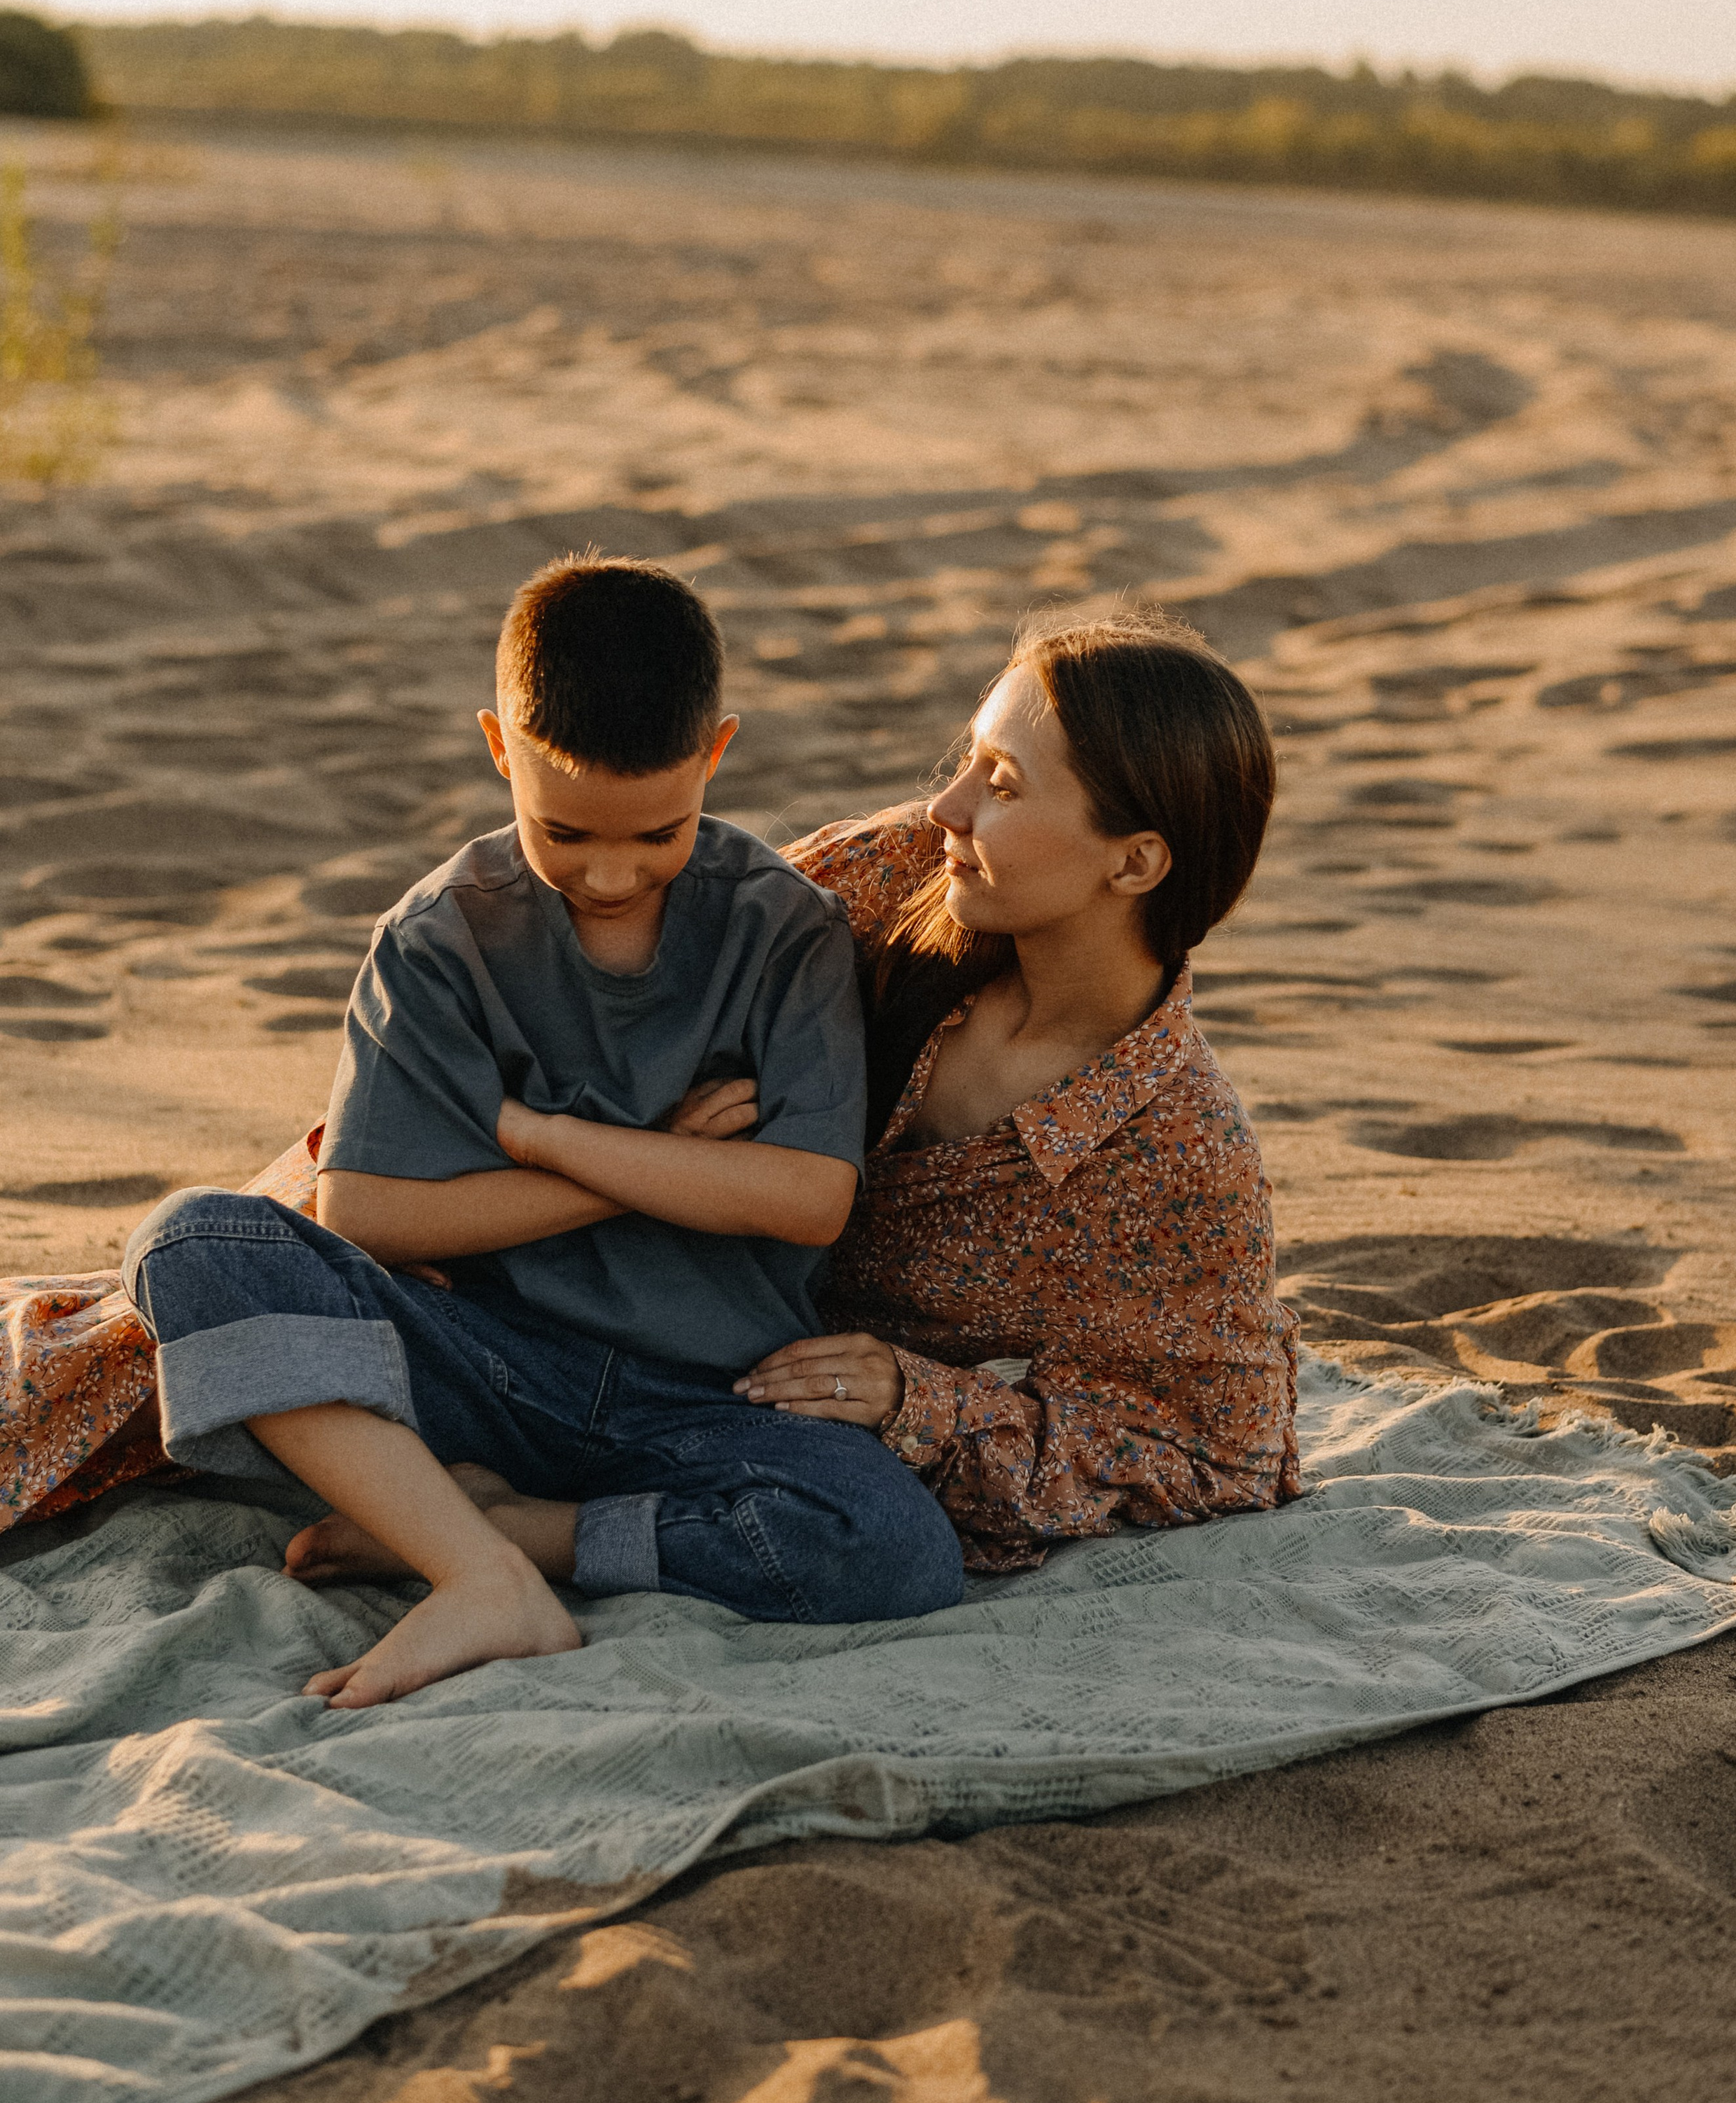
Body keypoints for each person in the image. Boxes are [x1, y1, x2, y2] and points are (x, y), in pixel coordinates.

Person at [116, 553, 966, 1712]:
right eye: (564, 834)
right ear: (499, 747)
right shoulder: (438, 940)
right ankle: (478, 1576)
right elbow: (365, 1215)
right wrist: (656, 1163)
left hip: (715, 1395)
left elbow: (809, 1197)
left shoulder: (784, 930)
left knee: (893, 1547)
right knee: (188, 1246)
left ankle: (519, 1535)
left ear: (716, 754)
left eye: (659, 835)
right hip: (488, 1360)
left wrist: (538, 1136)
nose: (610, 874)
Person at [454, 609, 1300, 1587]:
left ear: (1136, 862)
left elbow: (1223, 1457)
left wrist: (919, 1400)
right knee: (259, 1269)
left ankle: (528, 1536)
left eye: (1004, 785)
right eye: (971, 761)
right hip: (555, 1287)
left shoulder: (1178, 1156)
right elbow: (555, 971)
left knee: (883, 1548)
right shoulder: (894, 876)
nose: (948, 807)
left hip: (753, 1429)